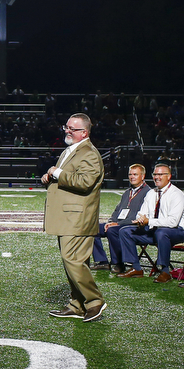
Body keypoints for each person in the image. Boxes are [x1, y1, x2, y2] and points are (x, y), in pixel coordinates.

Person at [42, 113, 107, 322]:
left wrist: (58, 173)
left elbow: (85, 182)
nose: (67, 131)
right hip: (68, 217)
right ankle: (76, 304)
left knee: (72, 260)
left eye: (73, 128)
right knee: (75, 261)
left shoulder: (89, 153)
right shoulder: (73, 150)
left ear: (84, 132)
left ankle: (94, 301)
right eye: (66, 127)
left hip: (78, 217)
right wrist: (50, 177)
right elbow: (65, 176)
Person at [117, 163, 184, 283]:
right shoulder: (151, 193)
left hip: (177, 231)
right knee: (125, 231)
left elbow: (173, 222)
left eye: (161, 174)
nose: (157, 177)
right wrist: (140, 220)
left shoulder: (176, 194)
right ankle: (135, 267)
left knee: (161, 232)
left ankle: (165, 271)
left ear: (169, 176)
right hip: (155, 230)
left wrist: (149, 221)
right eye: (155, 174)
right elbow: (142, 213)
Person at [90, 164, 150, 273]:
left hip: (134, 226)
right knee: (93, 228)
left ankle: (118, 263)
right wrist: (112, 221)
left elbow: (139, 216)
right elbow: (117, 210)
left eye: (135, 174)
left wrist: (118, 224)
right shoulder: (128, 192)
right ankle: (102, 261)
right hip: (119, 223)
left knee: (113, 231)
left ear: (143, 176)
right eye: (130, 174)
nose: (132, 177)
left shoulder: (148, 193)